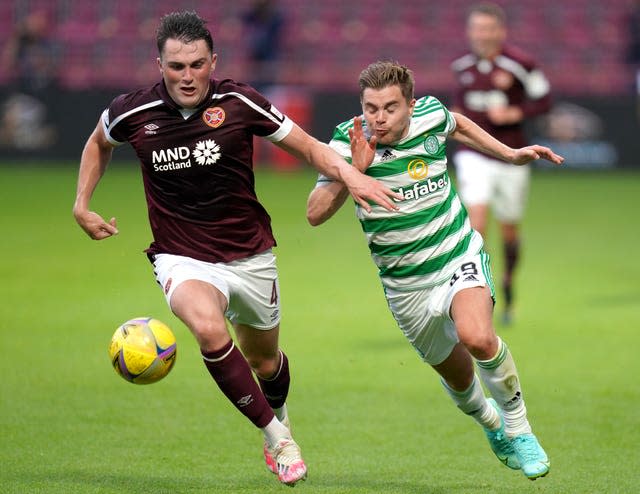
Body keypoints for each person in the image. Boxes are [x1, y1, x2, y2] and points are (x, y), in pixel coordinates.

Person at [72, 11, 398, 487]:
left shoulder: (241, 102)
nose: (187, 76)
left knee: (266, 361)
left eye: (197, 65)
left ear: (213, 61)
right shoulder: (133, 111)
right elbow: (99, 142)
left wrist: (350, 173)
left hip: (249, 254)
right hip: (180, 255)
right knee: (207, 328)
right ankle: (278, 439)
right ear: (159, 64)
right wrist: (82, 204)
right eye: (176, 66)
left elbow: (307, 147)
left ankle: (278, 416)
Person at [307, 61, 563, 480]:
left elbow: (457, 124)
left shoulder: (430, 116)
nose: (379, 118)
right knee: (462, 385)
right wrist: (353, 171)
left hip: (455, 254)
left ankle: (520, 428)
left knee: (478, 337)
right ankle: (493, 425)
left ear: (410, 104)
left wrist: (510, 154)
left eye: (390, 108)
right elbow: (314, 214)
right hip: (406, 286)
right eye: (371, 108)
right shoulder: (346, 140)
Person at [450, 3, 552, 324]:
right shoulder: (461, 67)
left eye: (487, 29)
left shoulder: (521, 64)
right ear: (470, 32)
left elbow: (545, 99)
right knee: (476, 226)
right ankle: (479, 298)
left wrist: (516, 113)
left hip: (512, 156)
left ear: (500, 31)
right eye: (477, 29)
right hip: (474, 155)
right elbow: (459, 108)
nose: (482, 35)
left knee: (509, 230)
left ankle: (508, 285)